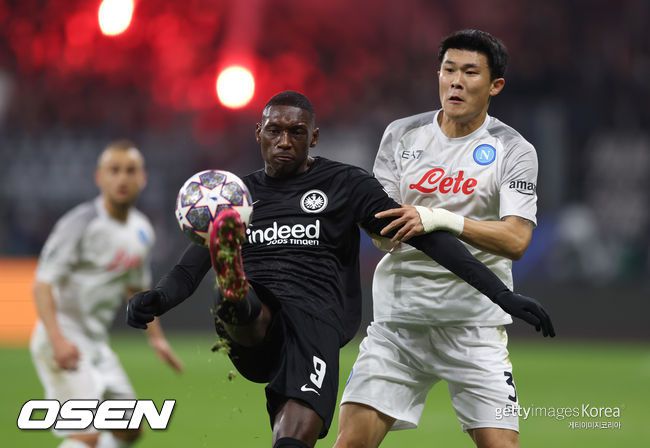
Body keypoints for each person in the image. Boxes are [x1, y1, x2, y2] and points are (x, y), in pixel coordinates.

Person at [126, 91, 553, 448]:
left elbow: (426, 238)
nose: (284, 141)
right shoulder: (237, 196)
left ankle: (233, 286)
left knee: (294, 439)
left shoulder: (346, 185)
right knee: (240, 301)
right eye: (274, 131)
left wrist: (501, 294)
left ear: (314, 137)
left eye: (296, 132)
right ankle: (234, 289)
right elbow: (187, 271)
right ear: (259, 133)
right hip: (261, 320)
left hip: (316, 320)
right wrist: (157, 299)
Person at [335, 29, 550, 448]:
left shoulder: (513, 149)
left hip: (474, 327)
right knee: (351, 444)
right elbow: (383, 230)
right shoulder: (401, 135)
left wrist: (436, 218)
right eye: (449, 70)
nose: (456, 81)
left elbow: (516, 239)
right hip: (399, 325)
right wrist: (381, 232)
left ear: (495, 85)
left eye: (470, 72)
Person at [30, 140, 183, 448]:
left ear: (143, 178)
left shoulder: (141, 230)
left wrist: (157, 339)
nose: (122, 178)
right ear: (99, 177)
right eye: (114, 170)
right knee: (87, 434)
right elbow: (42, 285)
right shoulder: (79, 223)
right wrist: (57, 340)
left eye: (130, 170)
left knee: (130, 429)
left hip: (96, 343)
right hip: (64, 336)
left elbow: (136, 289)